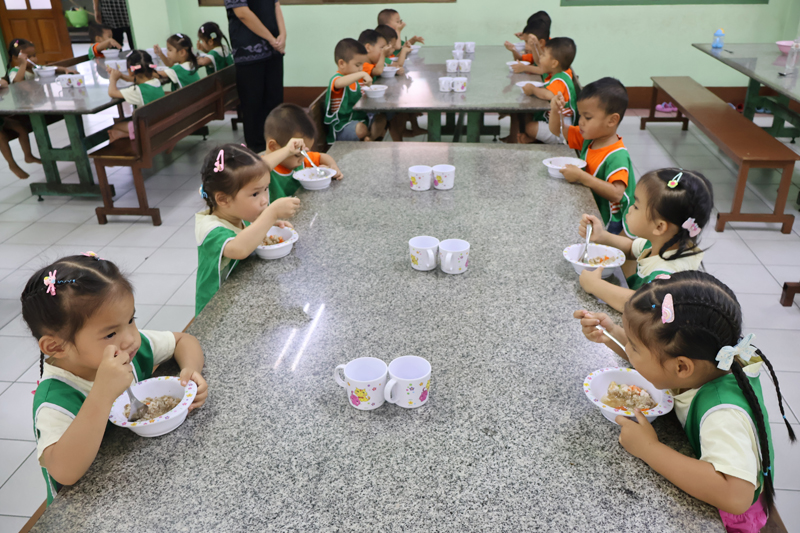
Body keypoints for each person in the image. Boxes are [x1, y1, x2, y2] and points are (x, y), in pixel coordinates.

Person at [574, 271, 796, 533]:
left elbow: (736, 497)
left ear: (682, 367)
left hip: (727, 520)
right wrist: (612, 333)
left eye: (633, 346)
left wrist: (648, 448)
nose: (629, 349)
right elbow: (656, 358)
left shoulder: (723, 414)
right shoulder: (710, 361)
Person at [25, 253, 207, 505]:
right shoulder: (55, 399)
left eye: (131, 320)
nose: (131, 338)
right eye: (110, 333)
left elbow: (184, 340)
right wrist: (102, 393)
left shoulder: (129, 349)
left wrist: (191, 370)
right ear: (56, 347)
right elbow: (64, 472)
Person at [576, 168, 713, 312]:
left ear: (659, 227)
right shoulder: (665, 242)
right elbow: (631, 248)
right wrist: (602, 236)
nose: (629, 209)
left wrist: (595, 285)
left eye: (636, 206)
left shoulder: (666, 274)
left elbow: (640, 305)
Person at [195, 143, 302, 314]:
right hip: (216, 310)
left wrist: (268, 223)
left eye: (266, 189)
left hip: (239, 296)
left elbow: (249, 233)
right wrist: (271, 214)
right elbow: (239, 249)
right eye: (255, 194)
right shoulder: (210, 229)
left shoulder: (237, 213)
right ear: (223, 199)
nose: (264, 200)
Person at [547, 77, 635, 236]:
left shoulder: (617, 155)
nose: (581, 122)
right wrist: (555, 110)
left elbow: (617, 193)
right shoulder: (589, 138)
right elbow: (557, 130)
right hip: (593, 208)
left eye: (587, 117)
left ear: (612, 120)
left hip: (613, 222)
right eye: (580, 115)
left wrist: (581, 176)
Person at [226, 0, 287, 153]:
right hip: (249, 52)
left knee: (275, 101)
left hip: (273, 50)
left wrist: (283, 34)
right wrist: (271, 39)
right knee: (253, 105)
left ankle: (277, 147)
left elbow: (275, 4)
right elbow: (242, 13)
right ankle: (258, 152)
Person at [263, 103, 343, 201]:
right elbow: (260, 168)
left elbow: (322, 157)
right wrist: (287, 150)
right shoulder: (265, 169)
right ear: (273, 147)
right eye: (297, 155)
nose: (302, 159)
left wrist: (332, 166)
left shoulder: (300, 160)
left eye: (304, 153)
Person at [323, 38, 386, 143]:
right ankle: (369, 138)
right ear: (342, 63)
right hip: (342, 127)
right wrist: (363, 74)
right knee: (361, 129)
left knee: (382, 118)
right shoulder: (336, 79)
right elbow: (339, 83)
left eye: (362, 65)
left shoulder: (356, 81)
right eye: (357, 65)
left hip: (361, 119)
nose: (361, 69)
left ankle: (369, 139)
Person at [516, 37, 577, 145]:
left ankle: (532, 138)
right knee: (527, 114)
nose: (540, 57)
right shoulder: (556, 74)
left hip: (560, 131)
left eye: (543, 55)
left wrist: (533, 90)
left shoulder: (560, 79)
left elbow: (549, 95)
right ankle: (532, 138)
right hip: (554, 122)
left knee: (529, 127)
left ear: (554, 64)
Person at [0, 40, 42, 179]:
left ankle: (28, 156)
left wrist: (3, 82)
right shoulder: (17, 71)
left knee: (21, 127)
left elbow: (4, 82)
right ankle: (12, 164)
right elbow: (17, 81)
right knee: (1, 136)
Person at [105, 51, 166, 142]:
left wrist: (113, 79)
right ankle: (127, 134)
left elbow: (112, 92)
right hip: (159, 124)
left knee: (116, 126)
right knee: (125, 125)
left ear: (130, 70)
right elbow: (136, 79)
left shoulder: (138, 91)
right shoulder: (156, 81)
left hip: (148, 128)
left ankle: (130, 137)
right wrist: (121, 76)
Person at [6, 38, 76, 84]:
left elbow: (52, 68)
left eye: (34, 55)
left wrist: (65, 70)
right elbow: (17, 82)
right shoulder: (14, 71)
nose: (33, 59)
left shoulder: (36, 68)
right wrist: (23, 64)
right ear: (15, 58)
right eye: (28, 57)